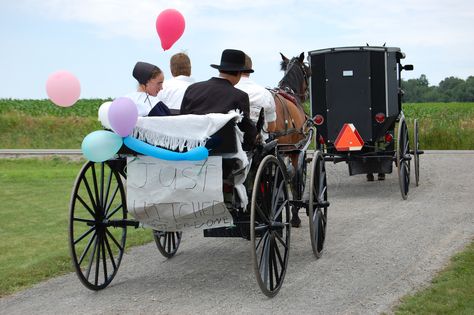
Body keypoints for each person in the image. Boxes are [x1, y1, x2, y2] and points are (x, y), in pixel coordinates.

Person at [180, 49, 257, 151]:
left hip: (191, 147)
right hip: (225, 153)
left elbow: (182, 118)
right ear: (239, 73)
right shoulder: (239, 96)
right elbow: (246, 129)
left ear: (220, 70)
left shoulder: (192, 89)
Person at [235, 54, 276, 140]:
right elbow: (271, 127)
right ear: (250, 70)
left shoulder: (226, 90)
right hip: (256, 146)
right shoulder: (265, 93)